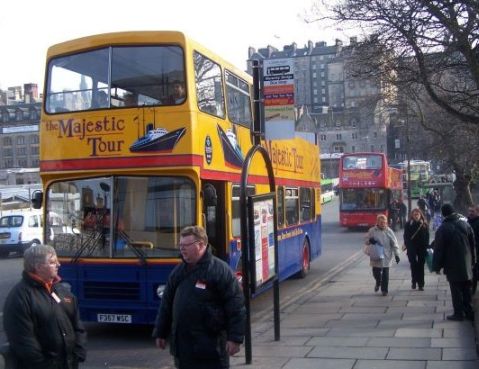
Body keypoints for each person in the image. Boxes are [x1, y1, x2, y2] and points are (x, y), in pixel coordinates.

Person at [152, 225, 245, 369]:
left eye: (186, 245)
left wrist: (235, 339)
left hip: (211, 348)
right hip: (183, 349)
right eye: (180, 245)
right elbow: (166, 304)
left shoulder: (220, 270)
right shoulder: (178, 272)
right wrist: (160, 332)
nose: (182, 249)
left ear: (201, 245)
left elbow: (236, 306)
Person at [3, 244, 87, 369]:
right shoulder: (20, 297)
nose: (58, 264)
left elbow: (77, 325)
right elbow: (23, 341)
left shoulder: (62, 291)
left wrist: (78, 353)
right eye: (52, 262)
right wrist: (44, 365)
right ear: (38, 267)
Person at [432, 203, 476, 321]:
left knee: (455, 289)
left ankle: (458, 313)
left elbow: (439, 250)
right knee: (467, 288)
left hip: (452, 264)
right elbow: (473, 245)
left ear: (443, 214)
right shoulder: (465, 224)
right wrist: (473, 260)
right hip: (467, 262)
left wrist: (436, 266)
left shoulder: (443, 228)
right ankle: (469, 311)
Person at [365, 214, 401, 296]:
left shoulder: (389, 231)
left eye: (384, 222)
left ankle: (384, 290)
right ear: (377, 222)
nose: (383, 224)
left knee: (385, 273)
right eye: (381, 222)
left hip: (386, 255)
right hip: (376, 254)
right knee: (376, 273)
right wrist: (370, 240)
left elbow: (394, 243)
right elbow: (366, 241)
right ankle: (378, 282)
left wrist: (397, 255)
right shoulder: (372, 230)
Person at [403, 208, 430, 290]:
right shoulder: (408, 224)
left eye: (418, 214)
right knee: (413, 265)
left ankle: (421, 284)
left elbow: (427, 237)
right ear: (412, 215)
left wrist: (426, 247)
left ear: (420, 215)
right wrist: (409, 246)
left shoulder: (424, 224)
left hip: (422, 248)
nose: (416, 216)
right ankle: (414, 281)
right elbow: (406, 237)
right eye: (415, 214)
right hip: (412, 248)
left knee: (421, 266)